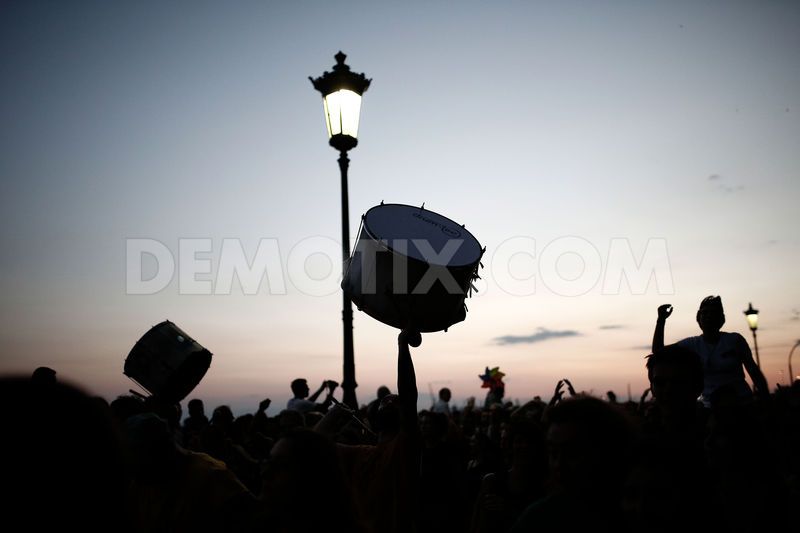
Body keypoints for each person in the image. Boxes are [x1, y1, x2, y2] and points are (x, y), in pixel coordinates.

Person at [652, 296, 769, 407]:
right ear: (698, 317)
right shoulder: (692, 344)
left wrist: (767, 401)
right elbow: (658, 353)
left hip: (742, 403)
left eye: (713, 313)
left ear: (721, 319)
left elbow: (754, 372)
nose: (708, 316)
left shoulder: (735, 340)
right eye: (705, 313)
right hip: (709, 408)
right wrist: (661, 320)